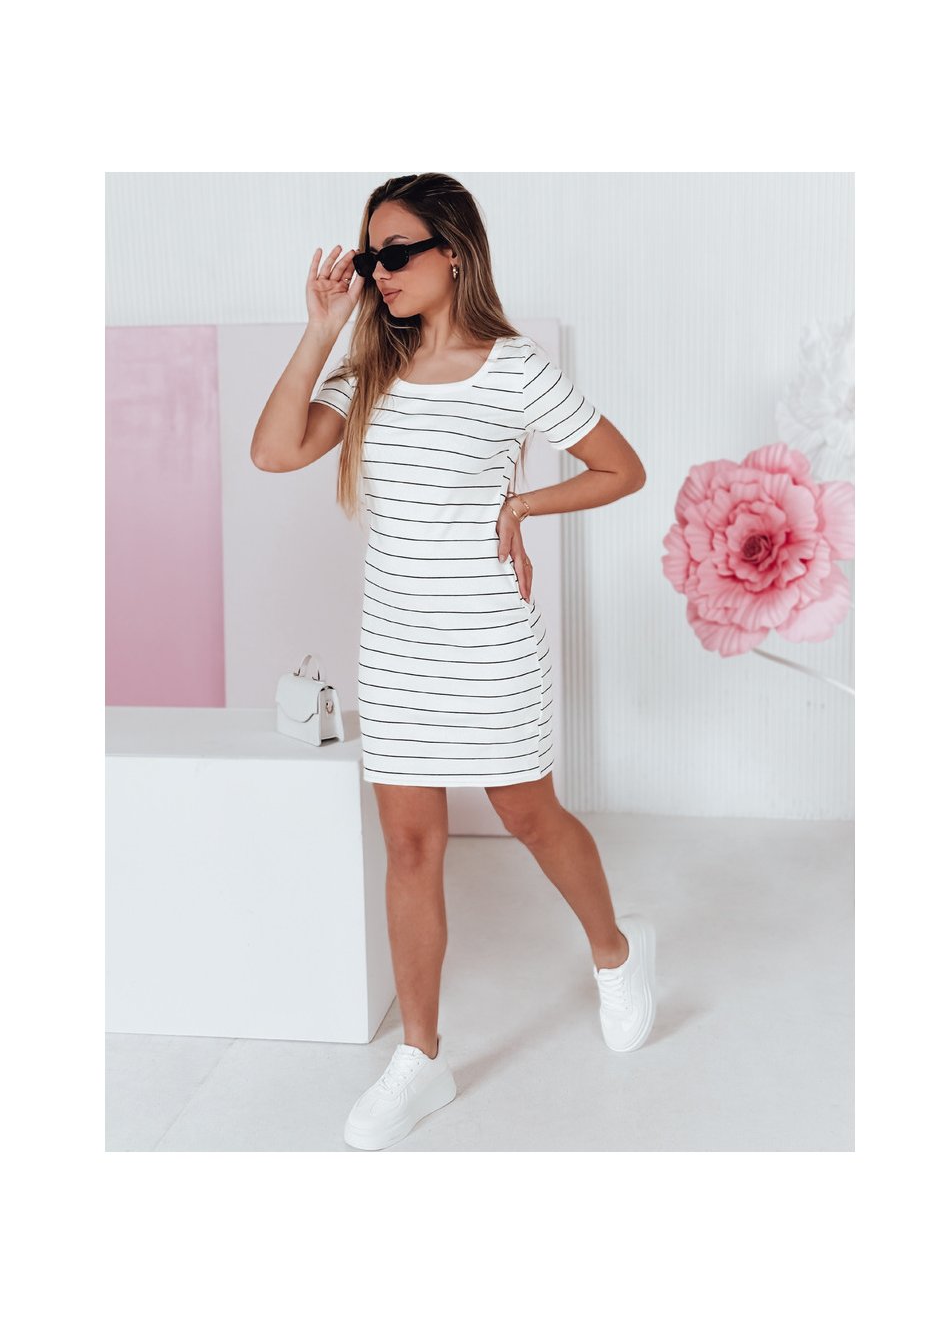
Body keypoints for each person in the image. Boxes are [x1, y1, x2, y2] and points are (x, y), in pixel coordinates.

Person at [251, 173, 655, 1151]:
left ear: (454, 253)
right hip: (397, 649)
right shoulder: (367, 372)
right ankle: (420, 1058)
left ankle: (616, 949)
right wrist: (321, 328)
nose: (379, 271)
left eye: (396, 253)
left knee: (528, 814)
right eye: (369, 256)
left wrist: (523, 504)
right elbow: (273, 452)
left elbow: (622, 467)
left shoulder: (513, 369)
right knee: (410, 846)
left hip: (488, 641)